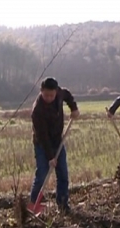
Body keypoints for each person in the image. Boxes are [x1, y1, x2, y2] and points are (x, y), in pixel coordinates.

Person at [30, 77, 80, 213]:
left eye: (52, 95)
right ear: (41, 91)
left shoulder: (59, 93)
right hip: (42, 144)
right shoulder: (37, 111)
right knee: (42, 174)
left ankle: (63, 204)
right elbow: (42, 136)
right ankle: (34, 204)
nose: (49, 98)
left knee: (63, 173)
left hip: (58, 140)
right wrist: (51, 156)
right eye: (46, 95)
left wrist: (74, 108)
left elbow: (68, 96)